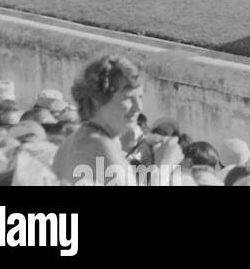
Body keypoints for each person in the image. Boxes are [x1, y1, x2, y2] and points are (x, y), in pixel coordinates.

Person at [53, 55, 183, 186]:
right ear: (96, 100)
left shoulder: (74, 141)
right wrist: (165, 165)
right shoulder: (101, 146)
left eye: (140, 97)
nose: (138, 107)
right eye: (128, 98)